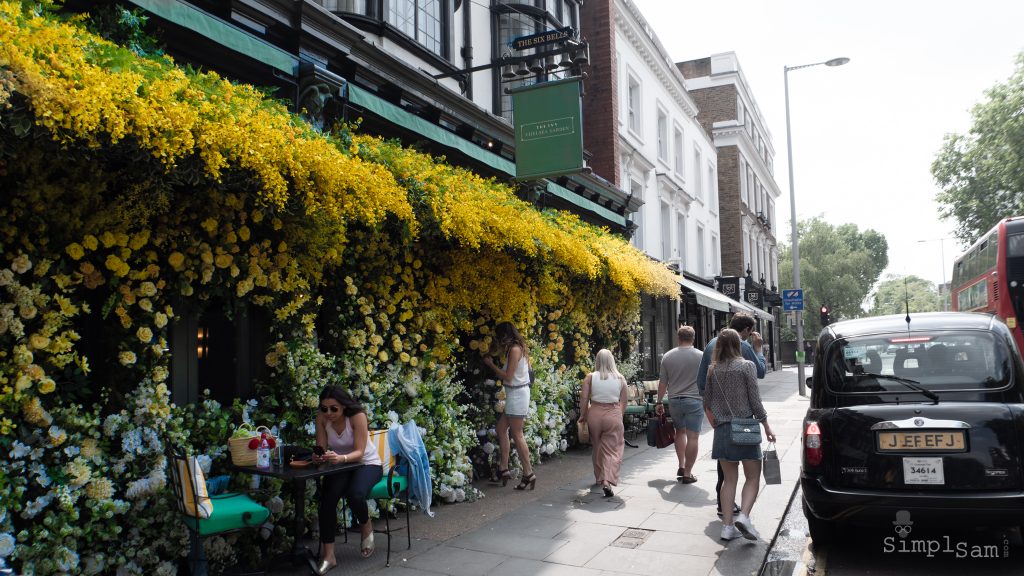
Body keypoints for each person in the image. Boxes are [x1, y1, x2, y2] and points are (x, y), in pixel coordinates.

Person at [703, 329, 776, 541]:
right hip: (745, 428)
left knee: (728, 480)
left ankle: (727, 527)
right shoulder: (747, 366)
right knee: (753, 477)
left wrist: (714, 419)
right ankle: (743, 516)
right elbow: (755, 400)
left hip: (723, 431)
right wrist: (767, 426)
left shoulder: (712, 370)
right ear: (738, 345)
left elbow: (706, 400)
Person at [696, 313, 765, 518]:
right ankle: (742, 514)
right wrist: (758, 349)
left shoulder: (711, 344)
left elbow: (702, 385)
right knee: (751, 474)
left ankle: (724, 511)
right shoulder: (742, 347)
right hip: (743, 422)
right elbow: (760, 373)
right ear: (746, 332)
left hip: (721, 421)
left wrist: (712, 414)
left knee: (727, 473)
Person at [313, 386, 384, 574]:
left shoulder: (357, 416)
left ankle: (365, 524)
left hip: (367, 463)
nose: (328, 413)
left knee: (355, 494)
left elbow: (360, 452)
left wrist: (341, 458)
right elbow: (320, 447)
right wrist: (319, 457)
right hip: (340, 465)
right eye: (324, 408)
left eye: (333, 408)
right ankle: (329, 556)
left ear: (344, 406)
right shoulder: (321, 418)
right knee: (327, 501)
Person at [483, 322, 537, 490]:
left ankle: (528, 473)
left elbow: (508, 376)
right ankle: (503, 468)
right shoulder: (518, 347)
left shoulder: (514, 350)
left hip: (517, 394)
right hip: (517, 393)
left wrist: (491, 364)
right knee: (501, 429)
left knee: (517, 434)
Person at [654, 325, 704, 483]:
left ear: (679, 338)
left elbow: (663, 383)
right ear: (693, 338)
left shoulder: (668, 356)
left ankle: (681, 465)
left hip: (675, 400)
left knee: (680, 432)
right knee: (693, 437)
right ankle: (688, 473)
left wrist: (659, 401)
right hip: (695, 400)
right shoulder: (701, 356)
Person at [579, 349, 628, 497]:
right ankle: (607, 480)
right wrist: (619, 415)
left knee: (597, 447)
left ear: (597, 361)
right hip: (612, 413)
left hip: (594, 412)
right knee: (613, 449)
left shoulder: (590, 377)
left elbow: (584, 399)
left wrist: (583, 415)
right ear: (612, 360)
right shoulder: (620, 378)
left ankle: (599, 478)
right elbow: (624, 401)